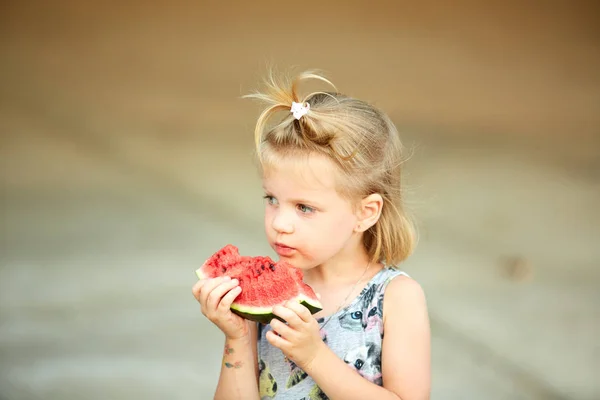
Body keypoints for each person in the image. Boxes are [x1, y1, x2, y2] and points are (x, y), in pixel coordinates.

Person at [192, 70, 431, 399]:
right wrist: (236, 338)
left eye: (304, 207)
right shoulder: (262, 308)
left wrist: (314, 356)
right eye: (272, 200)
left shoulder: (396, 297)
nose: (281, 223)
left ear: (366, 213)